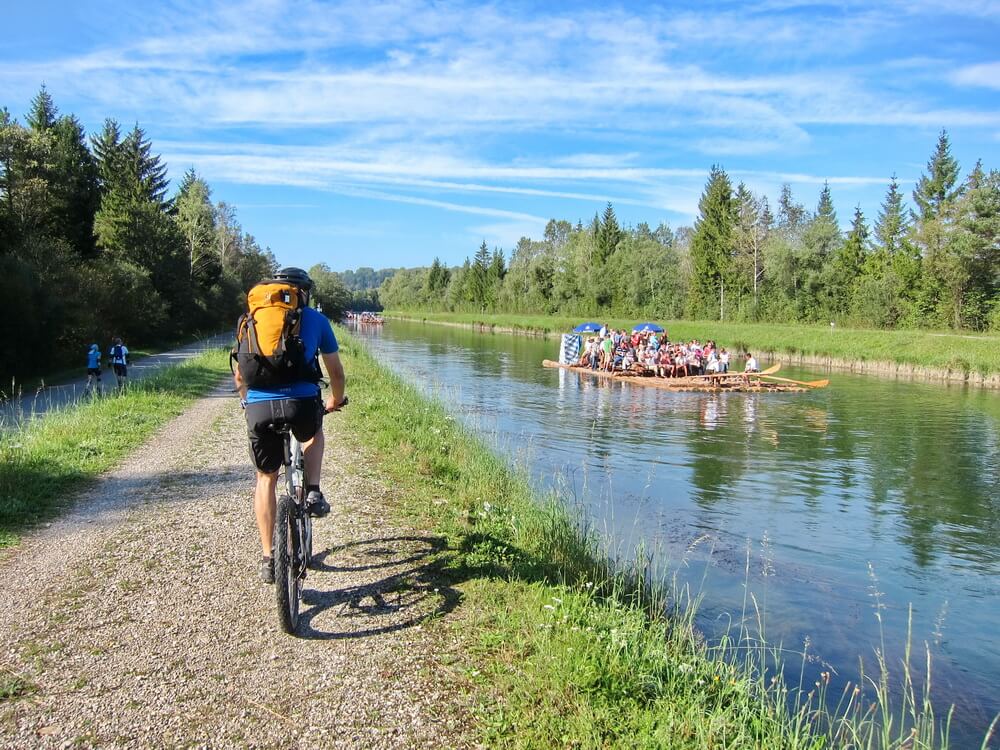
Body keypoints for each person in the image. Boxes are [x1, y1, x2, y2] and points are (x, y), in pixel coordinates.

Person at [233, 267, 346, 584]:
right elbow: (335, 373)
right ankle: (312, 491)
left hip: (258, 406)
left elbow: (241, 374)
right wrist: (336, 400)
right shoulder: (317, 320)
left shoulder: (251, 319)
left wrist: (247, 401)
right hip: (302, 404)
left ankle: (269, 558)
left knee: (265, 478)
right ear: (305, 293)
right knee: (313, 435)